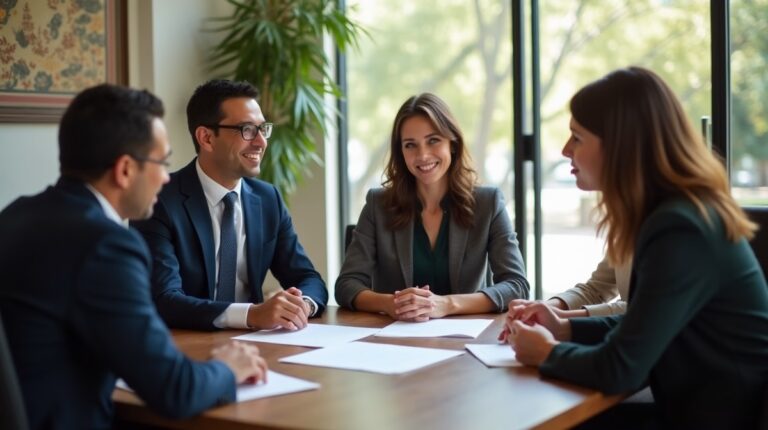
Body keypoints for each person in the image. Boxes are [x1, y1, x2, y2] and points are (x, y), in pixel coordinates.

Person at [502, 67, 768, 428]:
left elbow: (620, 369)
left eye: (577, 138)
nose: (566, 150)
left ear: (619, 146)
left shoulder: (681, 227)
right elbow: (642, 321)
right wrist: (564, 326)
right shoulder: (672, 213)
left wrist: (547, 351)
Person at [0, 84, 267, 429]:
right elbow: (174, 390)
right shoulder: (105, 246)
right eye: (162, 162)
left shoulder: (13, 216)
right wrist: (227, 367)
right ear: (125, 170)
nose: (164, 178)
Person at [133, 79, 328, 331]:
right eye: (247, 129)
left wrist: (302, 305)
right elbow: (164, 299)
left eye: (262, 129)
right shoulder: (157, 200)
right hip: (188, 345)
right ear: (206, 138)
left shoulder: (268, 199)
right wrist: (251, 315)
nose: (261, 142)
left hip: (258, 345)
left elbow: (308, 278)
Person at [336, 93, 529, 321]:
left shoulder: (488, 203)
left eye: (433, 140)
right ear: (401, 153)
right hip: (395, 340)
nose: (423, 155)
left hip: (466, 341)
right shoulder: (378, 205)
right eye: (410, 145)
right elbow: (347, 285)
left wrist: (446, 304)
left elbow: (517, 286)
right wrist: (392, 304)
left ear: (453, 143)